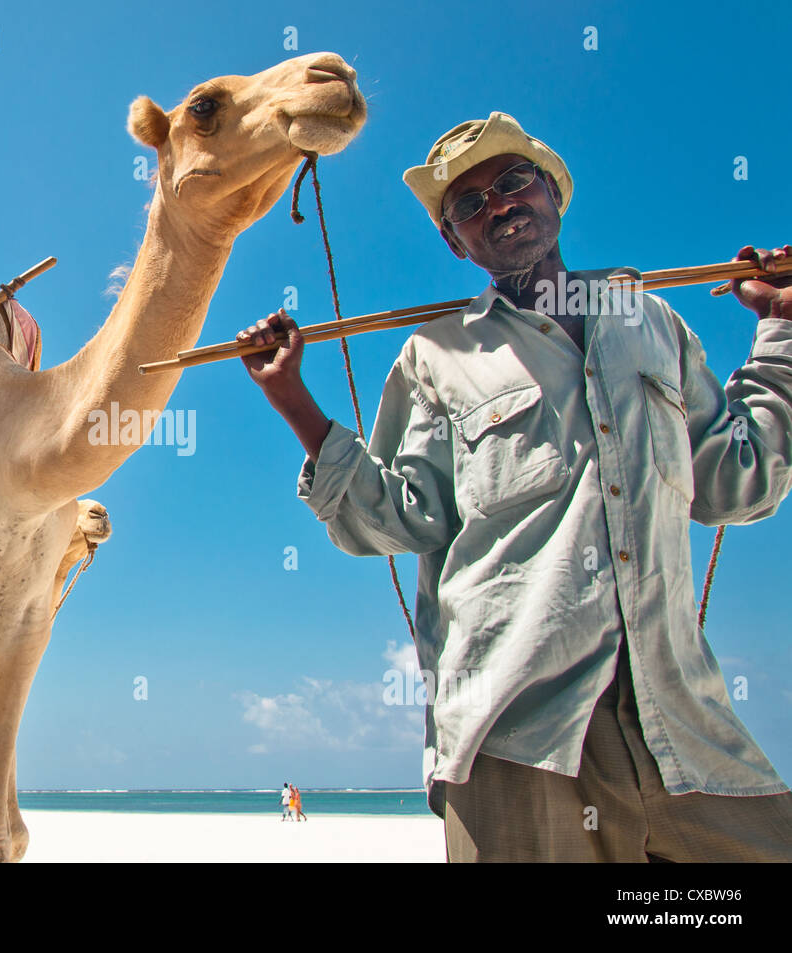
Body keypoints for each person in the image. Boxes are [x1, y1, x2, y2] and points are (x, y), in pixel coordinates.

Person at [238, 111, 792, 862]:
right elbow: (401, 518)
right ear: (453, 240)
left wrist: (781, 327)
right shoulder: (436, 353)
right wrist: (295, 402)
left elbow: (738, 480)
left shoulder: (651, 320)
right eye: (467, 205)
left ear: (552, 192)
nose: (496, 204)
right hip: (517, 737)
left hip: (684, 724)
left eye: (511, 180)